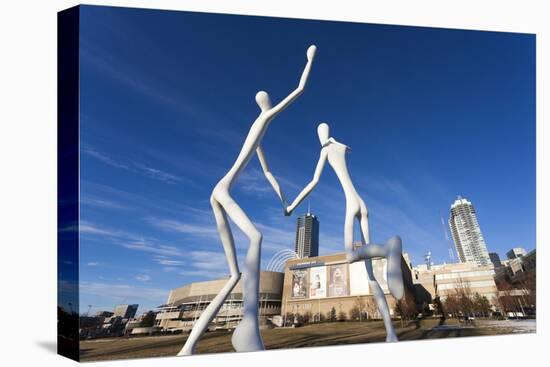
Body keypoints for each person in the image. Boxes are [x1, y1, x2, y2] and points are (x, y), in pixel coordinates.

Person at [178, 45, 317, 356]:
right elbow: (299, 90)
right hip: (223, 192)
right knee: (256, 236)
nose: (268, 102)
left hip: (217, 192)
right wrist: (309, 60)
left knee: (234, 275)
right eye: (266, 100)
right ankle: (249, 323)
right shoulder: (265, 117)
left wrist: (284, 202)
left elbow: (267, 171)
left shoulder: (258, 132)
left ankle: (187, 349)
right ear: (264, 104)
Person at [285, 122, 404, 342]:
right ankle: (391, 334)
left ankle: (387, 249)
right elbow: (347, 147)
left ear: (320, 135)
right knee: (371, 277)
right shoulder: (339, 145)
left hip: (352, 203)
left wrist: (292, 206)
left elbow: (313, 182)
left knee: (350, 255)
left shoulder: (325, 150)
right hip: (363, 203)